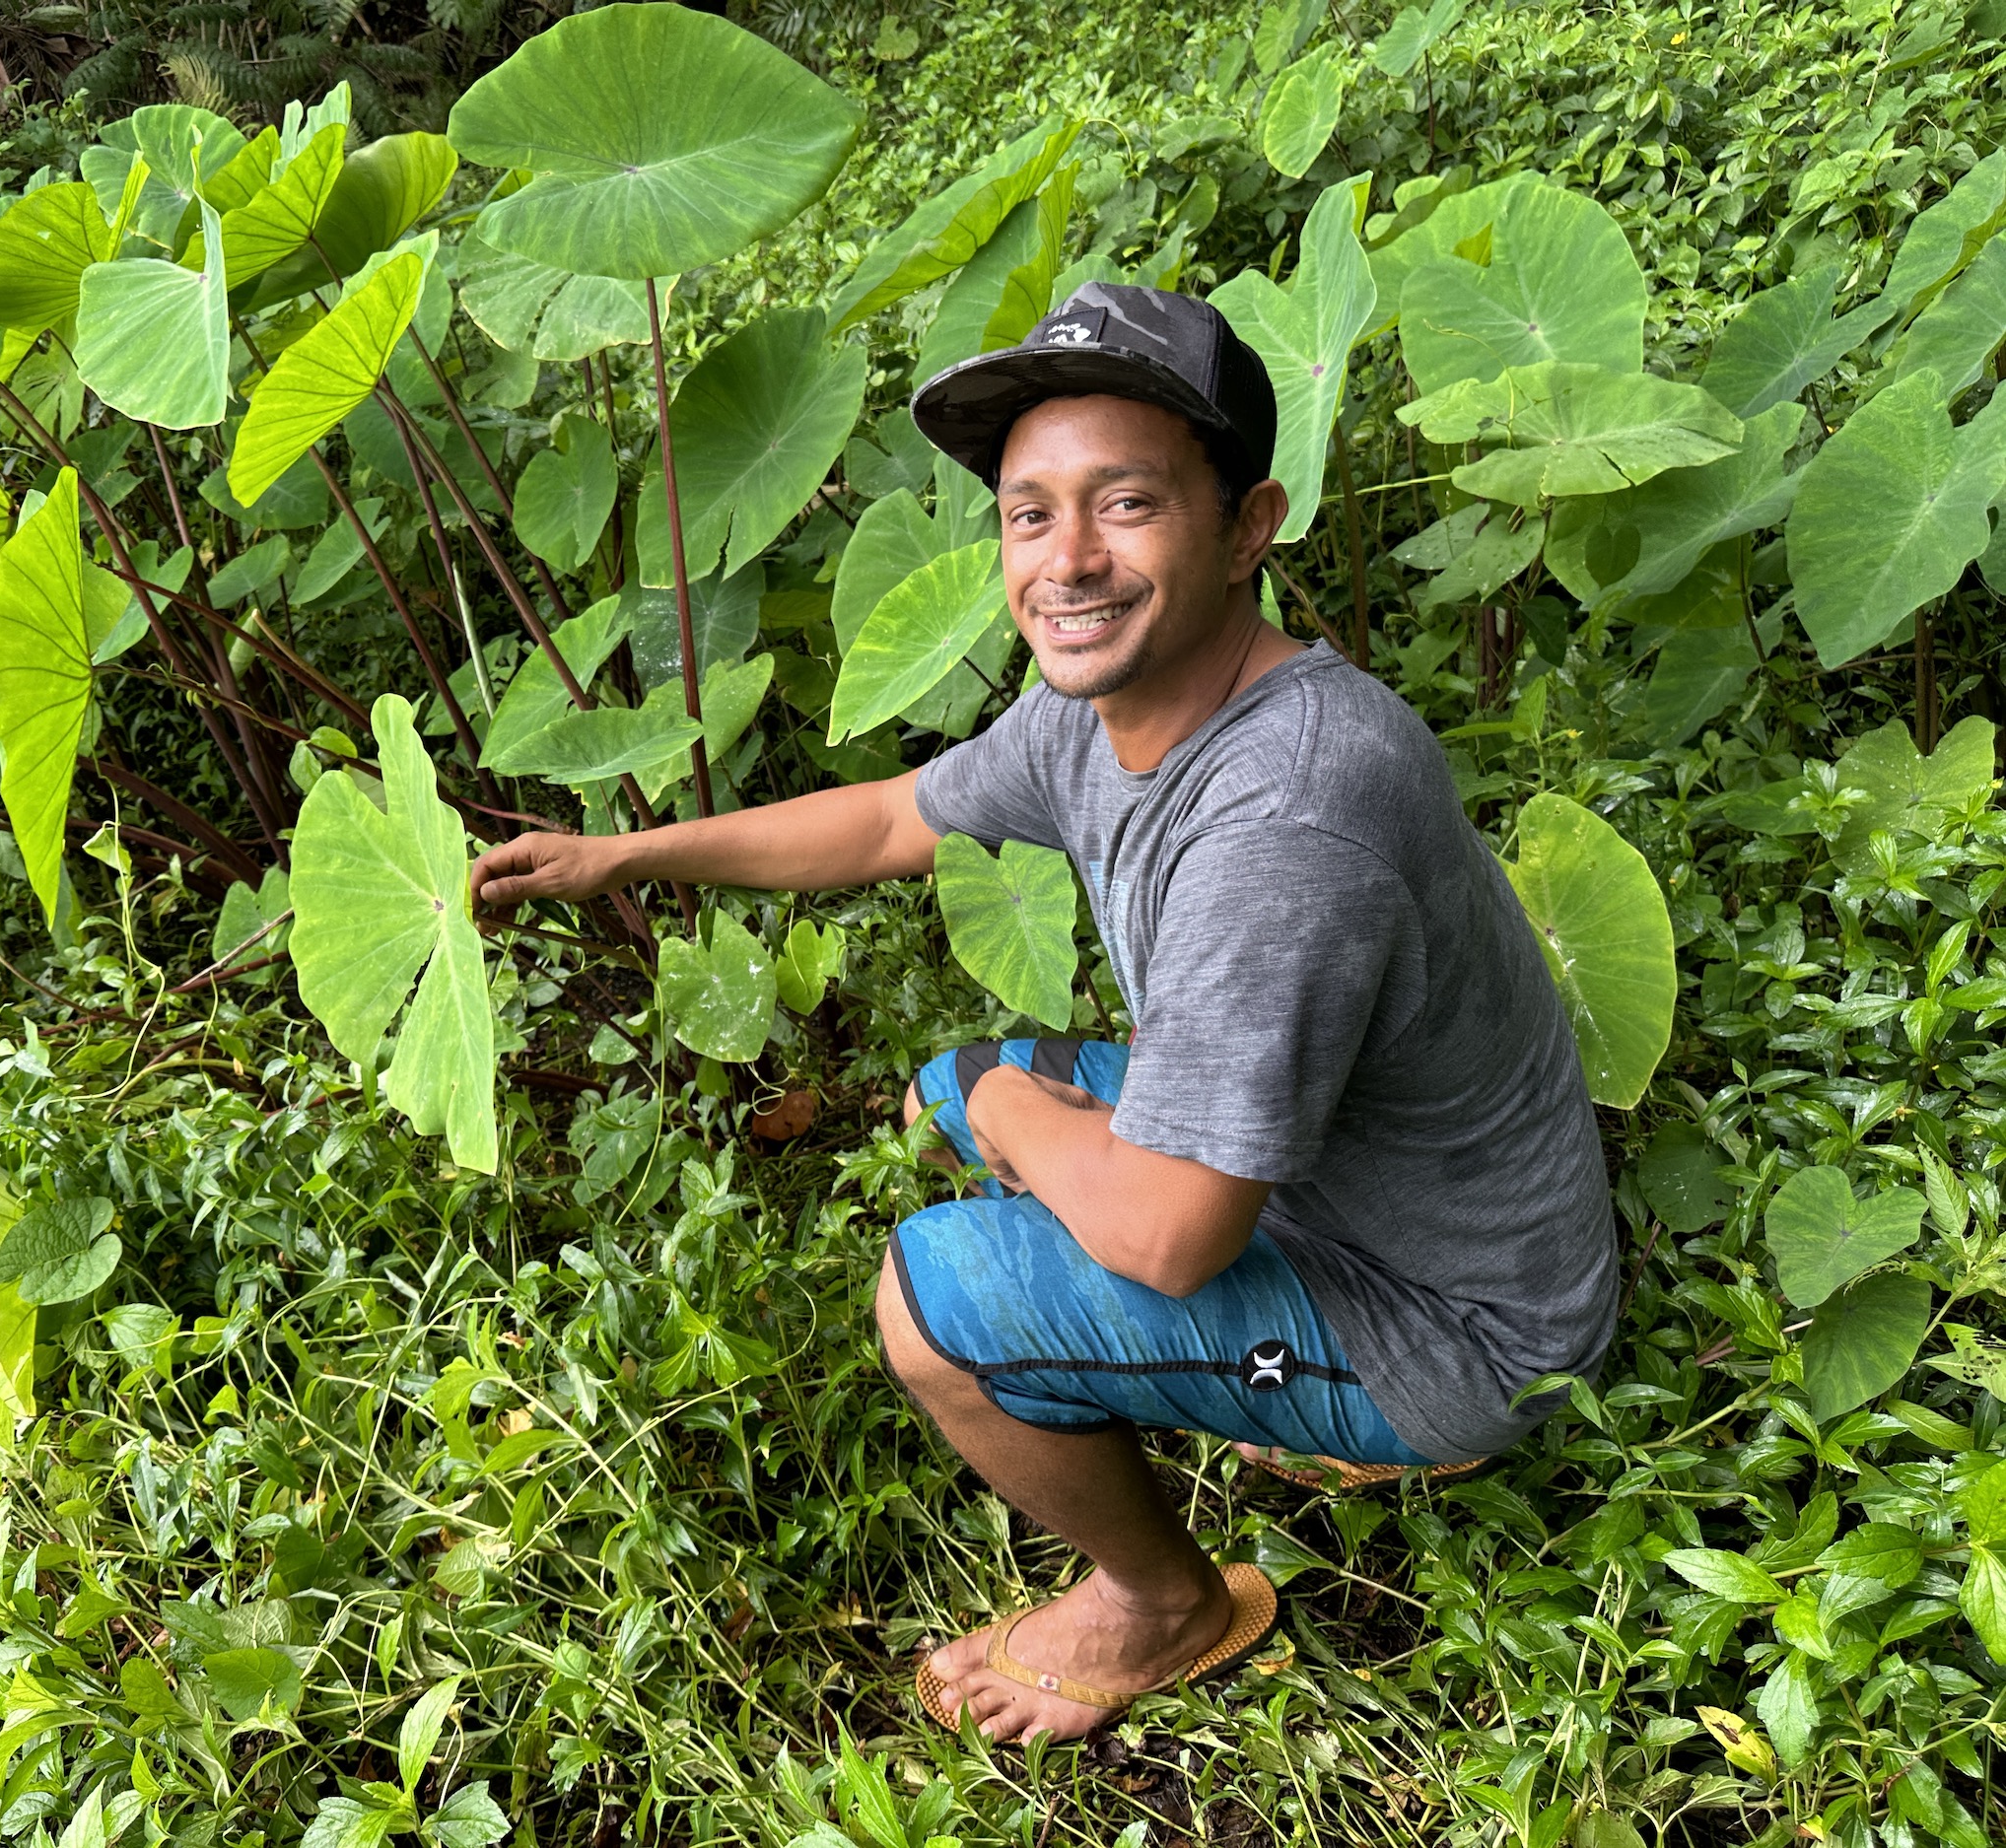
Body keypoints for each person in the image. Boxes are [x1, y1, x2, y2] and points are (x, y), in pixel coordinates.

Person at [468, 282, 1617, 1745]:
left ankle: (1166, 1600)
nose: (1066, 560)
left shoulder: (1288, 818)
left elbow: (1169, 1235)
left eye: (1126, 504)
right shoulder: (1097, 702)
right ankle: (1152, 1337)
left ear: (1246, 527)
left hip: (1460, 1327)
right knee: (966, 1075)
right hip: (1360, 1173)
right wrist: (627, 856)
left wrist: (1025, 1119)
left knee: (930, 1304)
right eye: (1030, 513)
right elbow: (894, 815)